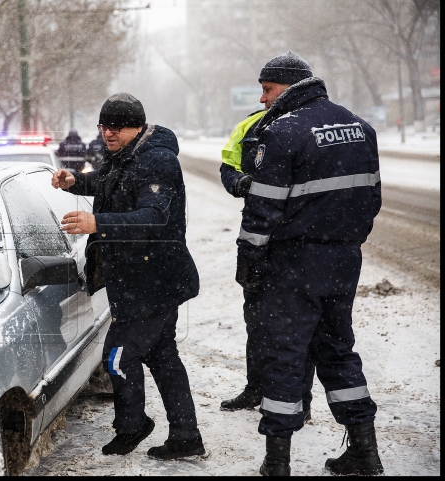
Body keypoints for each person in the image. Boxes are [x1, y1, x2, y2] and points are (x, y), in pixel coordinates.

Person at [236, 51, 384, 476]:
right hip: (343, 259)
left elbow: (261, 211)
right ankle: (365, 452)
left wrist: (248, 261)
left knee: (284, 354)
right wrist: (342, 241)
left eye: (267, 90)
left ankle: (276, 462)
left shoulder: (283, 132)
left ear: (287, 86)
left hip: (294, 262)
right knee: (338, 350)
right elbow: (372, 199)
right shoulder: (360, 127)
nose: (263, 100)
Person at [51, 93, 204, 460]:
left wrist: (96, 223)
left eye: (115, 127)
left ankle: (133, 426)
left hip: (153, 279)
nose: (107, 133)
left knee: (118, 356)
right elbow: (107, 181)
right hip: (141, 278)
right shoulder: (126, 156)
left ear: (137, 126)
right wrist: (75, 181)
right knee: (164, 356)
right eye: (103, 126)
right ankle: (186, 436)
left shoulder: (158, 161)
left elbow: (153, 217)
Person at [219, 106, 315, 419]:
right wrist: (239, 182)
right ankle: (255, 389)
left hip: (300, 241)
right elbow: (227, 165)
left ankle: (301, 399)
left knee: (298, 325)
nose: (263, 96)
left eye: (269, 88)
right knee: (257, 318)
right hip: (259, 235)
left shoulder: (311, 125)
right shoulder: (248, 125)